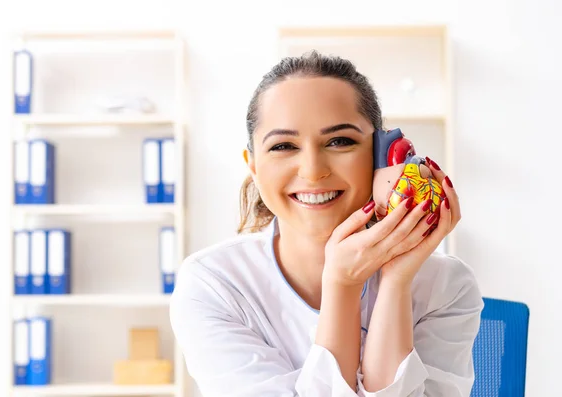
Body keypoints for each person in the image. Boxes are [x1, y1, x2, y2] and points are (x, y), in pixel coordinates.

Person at [169, 51, 483, 397]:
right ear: (254, 166)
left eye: (339, 141)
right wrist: (342, 284)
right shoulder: (213, 285)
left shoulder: (444, 286)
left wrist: (395, 281)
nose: (312, 170)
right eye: (283, 146)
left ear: (382, 153)